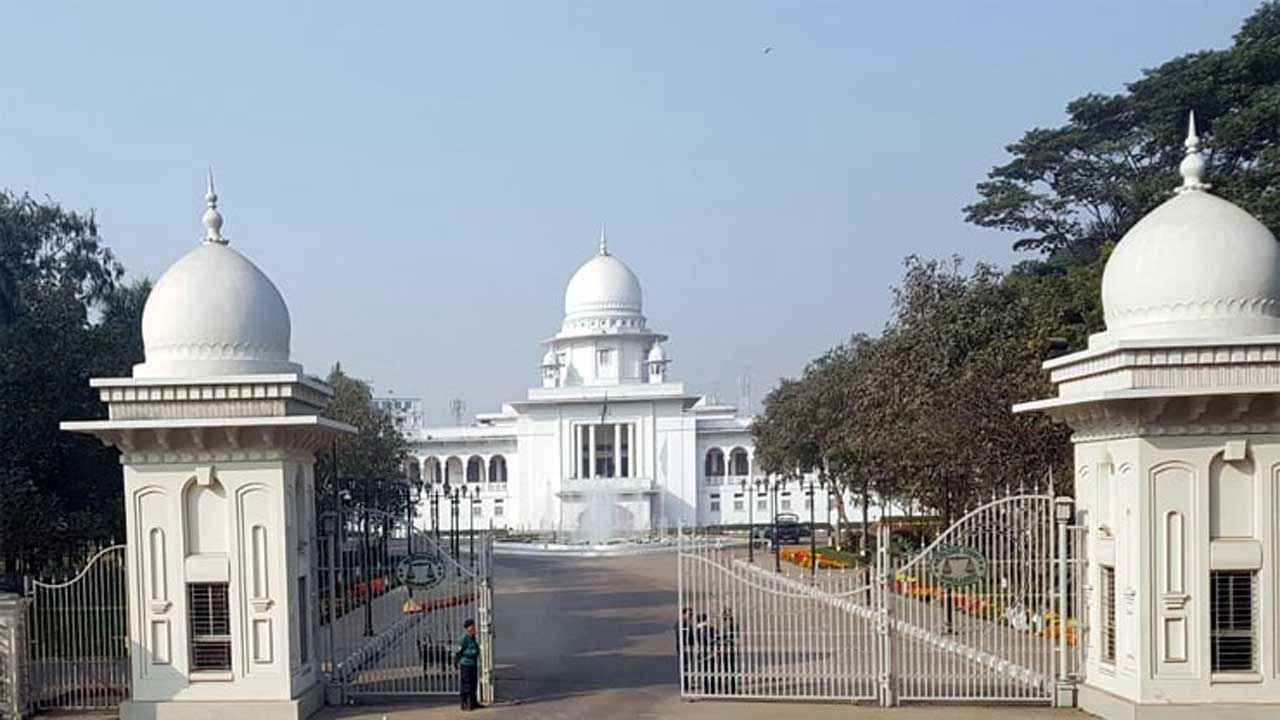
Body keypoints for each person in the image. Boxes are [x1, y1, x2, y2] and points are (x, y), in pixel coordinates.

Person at [457, 618, 483, 711]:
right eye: (471, 627)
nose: (473, 628)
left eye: (473, 626)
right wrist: (465, 657)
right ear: (467, 628)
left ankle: (473, 702)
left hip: (473, 663)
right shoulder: (463, 639)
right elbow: (458, 651)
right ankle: (465, 703)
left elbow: (475, 648)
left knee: (473, 683)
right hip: (466, 664)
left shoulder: (473, 638)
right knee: (466, 683)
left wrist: (476, 652)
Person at [675, 606, 695, 691]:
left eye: (691, 614)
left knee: (687, 665)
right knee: (684, 666)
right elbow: (681, 636)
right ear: (684, 614)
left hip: (688, 647)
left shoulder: (687, 623)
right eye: (689, 614)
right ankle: (684, 685)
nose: (691, 616)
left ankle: (686, 683)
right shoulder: (681, 624)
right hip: (683, 647)